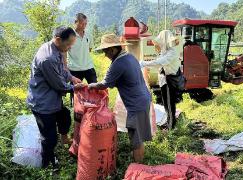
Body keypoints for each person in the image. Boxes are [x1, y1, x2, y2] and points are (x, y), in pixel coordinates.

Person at [87, 34, 152, 162]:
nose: (105, 55)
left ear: (113, 49)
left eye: (106, 51)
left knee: (135, 139)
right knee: (138, 135)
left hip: (136, 105)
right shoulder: (129, 56)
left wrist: (88, 86)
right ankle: (140, 162)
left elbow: (104, 84)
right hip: (144, 99)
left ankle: (138, 168)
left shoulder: (118, 63)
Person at [26, 26, 84, 168]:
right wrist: (74, 88)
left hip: (52, 99)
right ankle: (48, 163)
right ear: (58, 39)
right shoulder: (47, 58)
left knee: (64, 116)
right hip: (42, 103)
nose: (70, 48)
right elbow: (59, 85)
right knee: (49, 138)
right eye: (68, 44)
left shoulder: (55, 49)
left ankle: (64, 139)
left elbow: (62, 71)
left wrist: (71, 77)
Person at [140, 30, 183, 130]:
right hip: (165, 81)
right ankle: (169, 123)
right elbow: (159, 65)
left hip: (170, 82)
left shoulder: (172, 52)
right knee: (166, 104)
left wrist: (144, 63)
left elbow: (160, 62)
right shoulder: (165, 52)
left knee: (170, 104)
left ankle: (171, 127)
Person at [67, 13, 97, 84]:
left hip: (88, 66)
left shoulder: (88, 35)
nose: (84, 26)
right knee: (75, 92)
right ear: (75, 22)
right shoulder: (69, 36)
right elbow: (64, 51)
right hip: (74, 69)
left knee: (95, 90)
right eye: (81, 24)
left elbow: (89, 49)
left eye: (85, 24)